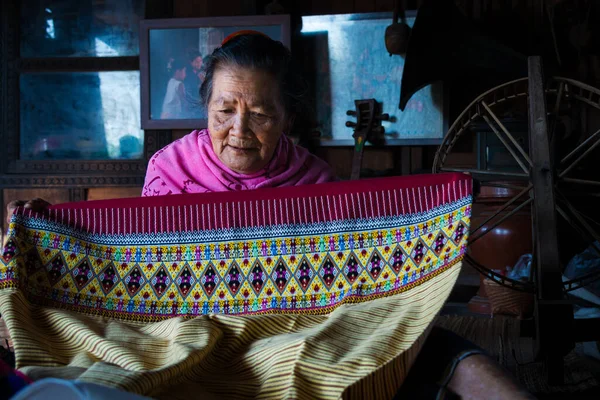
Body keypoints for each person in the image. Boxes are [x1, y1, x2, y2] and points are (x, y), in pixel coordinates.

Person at [5, 32, 535, 400]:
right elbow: (146, 270)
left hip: (288, 333)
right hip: (186, 328)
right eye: (224, 111)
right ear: (206, 108)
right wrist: (50, 230)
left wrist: (440, 204)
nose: (239, 129)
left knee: (426, 343)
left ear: (286, 117)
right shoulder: (169, 168)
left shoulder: (314, 182)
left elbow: (349, 283)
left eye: (260, 115)